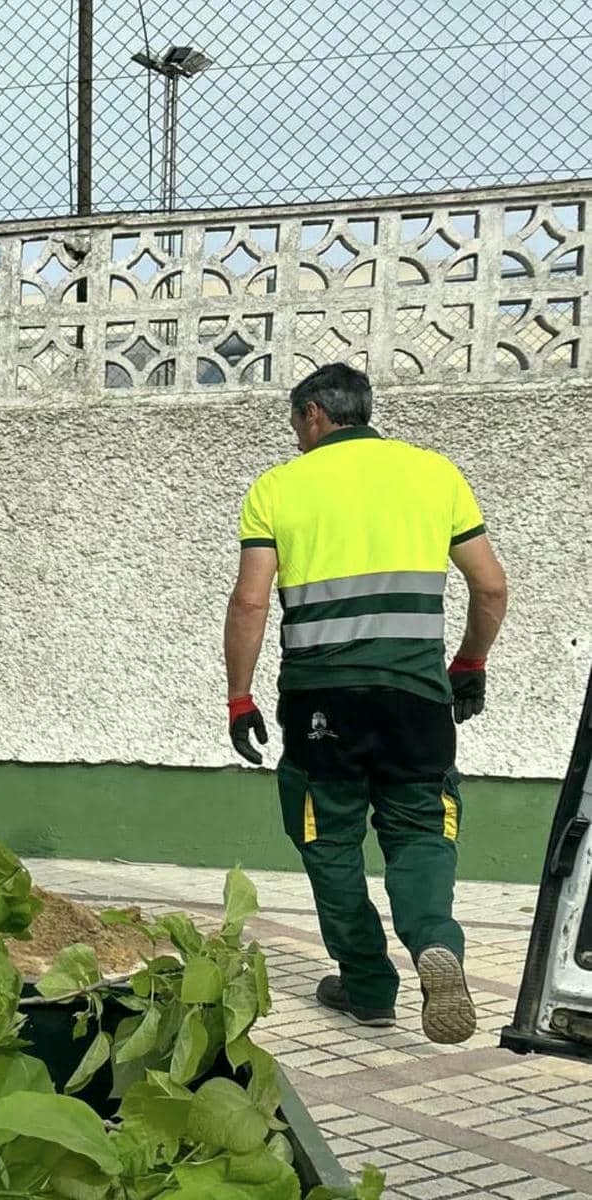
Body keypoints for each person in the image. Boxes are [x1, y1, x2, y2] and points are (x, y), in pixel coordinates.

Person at [223, 363, 508, 1044]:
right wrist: (468, 664)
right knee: (418, 830)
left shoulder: (277, 488)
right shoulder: (434, 474)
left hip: (321, 702)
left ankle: (367, 984)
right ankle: (435, 941)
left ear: (314, 413)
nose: (294, 438)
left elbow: (250, 601)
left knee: (328, 837)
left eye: (296, 423)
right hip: (415, 697)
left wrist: (238, 698)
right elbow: (491, 587)